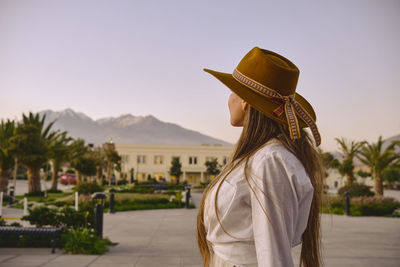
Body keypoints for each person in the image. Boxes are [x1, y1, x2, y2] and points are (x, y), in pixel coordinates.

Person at [197, 47, 324, 267]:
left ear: (245, 101)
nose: (229, 99)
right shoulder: (261, 156)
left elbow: (274, 256)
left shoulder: (270, 161)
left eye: (232, 90)